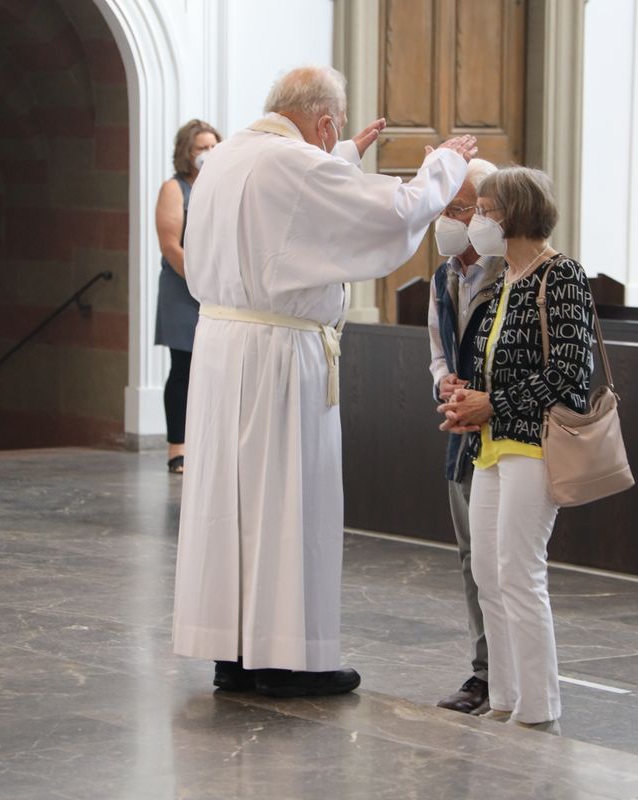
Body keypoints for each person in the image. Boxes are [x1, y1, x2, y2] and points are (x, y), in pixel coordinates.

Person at [172, 65, 478, 698]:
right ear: (324, 120)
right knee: (285, 501)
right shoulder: (294, 164)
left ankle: (232, 655)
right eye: (332, 132)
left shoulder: (227, 157)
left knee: (228, 506)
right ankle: (284, 659)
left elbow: (285, 210)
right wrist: (444, 165)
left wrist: (340, 155)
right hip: (279, 357)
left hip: (223, 352)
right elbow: (393, 212)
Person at [438, 167, 594, 733]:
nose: (476, 219)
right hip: (490, 446)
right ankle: (504, 696)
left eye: (485, 208)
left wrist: (492, 403)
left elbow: (570, 374)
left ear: (516, 214)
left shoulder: (563, 276)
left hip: (534, 444)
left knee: (520, 572)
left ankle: (538, 706)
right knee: (487, 571)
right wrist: (462, 395)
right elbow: (486, 361)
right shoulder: (503, 279)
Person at [425, 158, 504, 715]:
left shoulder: (514, 272)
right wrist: (443, 380)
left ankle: (511, 672)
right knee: (472, 557)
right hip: (461, 434)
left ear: (485, 214)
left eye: (461, 209)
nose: (449, 220)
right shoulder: (444, 275)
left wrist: (487, 397)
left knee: (508, 562)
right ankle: (483, 673)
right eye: (445, 208)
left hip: (507, 433)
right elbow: (437, 348)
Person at [155, 119, 221, 474]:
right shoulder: (175, 188)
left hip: (216, 288)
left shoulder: (220, 187)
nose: (208, 154)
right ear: (187, 152)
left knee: (212, 370)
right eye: (201, 148)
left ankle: (207, 446)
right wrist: (199, 280)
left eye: (214, 147)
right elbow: (170, 245)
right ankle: (177, 449)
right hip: (184, 288)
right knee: (183, 367)